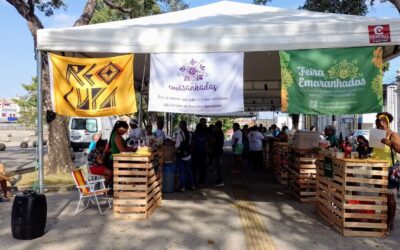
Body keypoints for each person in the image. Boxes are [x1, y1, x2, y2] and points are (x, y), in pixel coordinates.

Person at [373, 112, 400, 232]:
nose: (379, 123)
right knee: (381, 195)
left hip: (390, 168)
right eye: (378, 121)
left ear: (387, 122)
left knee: (390, 196)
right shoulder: (376, 134)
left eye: (382, 121)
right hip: (378, 167)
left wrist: (391, 144)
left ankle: (390, 221)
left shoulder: (393, 135)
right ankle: (382, 217)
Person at [175, 121, 195, 192]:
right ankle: (192, 185)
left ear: (180, 126)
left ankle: (183, 187)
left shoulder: (179, 134)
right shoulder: (190, 133)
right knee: (189, 170)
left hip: (182, 155)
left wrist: (175, 150)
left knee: (182, 172)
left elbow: (177, 145)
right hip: (189, 154)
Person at [212, 121, 225, 186]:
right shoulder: (220, 132)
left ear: (217, 126)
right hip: (218, 151)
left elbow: (213, 140)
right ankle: (218, 180)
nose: (214, 127)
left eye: (215, 126)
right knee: (217, 167)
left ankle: (220, 181)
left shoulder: (218, 133)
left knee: (218, 167)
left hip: (218, 151)